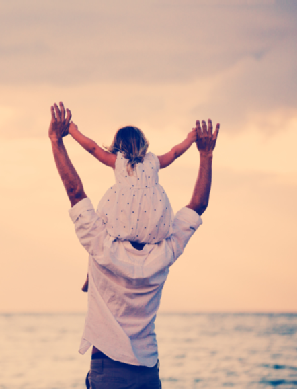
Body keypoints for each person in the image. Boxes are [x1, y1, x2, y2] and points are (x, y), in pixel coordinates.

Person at [48, 102, 219, 389]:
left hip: (108, 368)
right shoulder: (164, 252)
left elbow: (75, 190)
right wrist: (205, 153)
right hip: (148, 371)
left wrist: (58, 140)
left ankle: (90, 278)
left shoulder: (101, 245)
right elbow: (197, 206)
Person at [67, 123, 197, 292]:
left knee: (97, 235)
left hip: (122, 213)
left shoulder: (118, 161)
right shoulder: (153, 161)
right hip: (151, 218)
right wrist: (190, 139)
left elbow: (92, 148)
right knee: (141, 240)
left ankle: (89, 275)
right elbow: (175, 152)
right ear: (143, 142)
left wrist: (72, 131)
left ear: (118, 145)